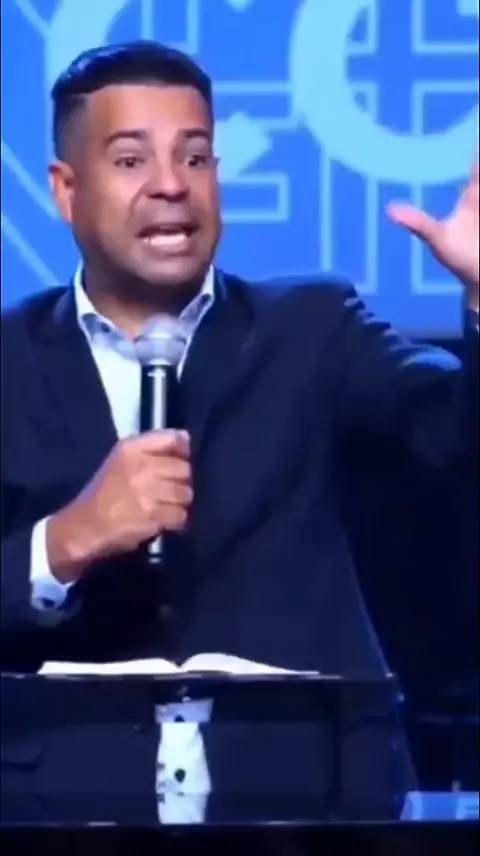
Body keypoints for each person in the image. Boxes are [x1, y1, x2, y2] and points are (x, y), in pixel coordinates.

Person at [1, 41, 478, 827]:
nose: (171, 185)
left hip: (306, 805)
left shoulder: (312, 329)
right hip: (62, 809)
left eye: (195, 157)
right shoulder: (9, 360)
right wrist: (65, 541)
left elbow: (459, 436)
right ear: (66, 189)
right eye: (131, 160)